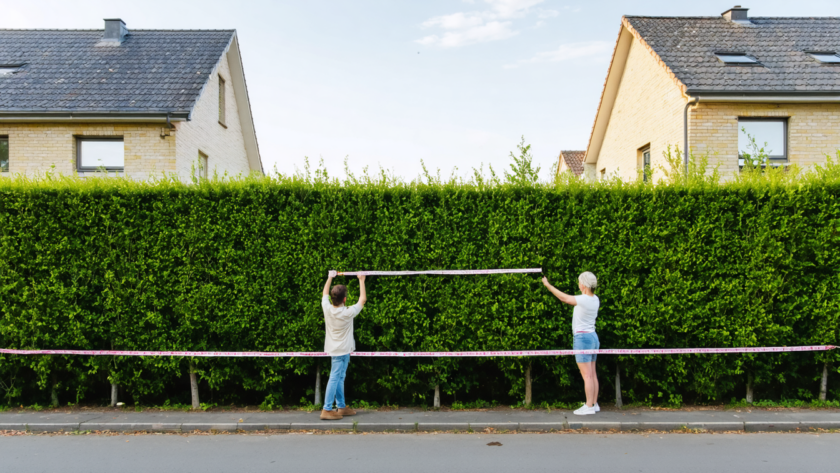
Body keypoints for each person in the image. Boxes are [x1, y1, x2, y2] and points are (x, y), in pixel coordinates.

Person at [542, 272, 600, 416]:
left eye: (580, 282)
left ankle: (589, 406)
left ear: (584, 285)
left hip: (583, 339)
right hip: (593, 337)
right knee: (592, 374)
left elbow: (564, 298)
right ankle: (593, 403)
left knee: (587, 376)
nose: (578, 285)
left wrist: (548, 285)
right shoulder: (595, 299)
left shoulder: (584, 299)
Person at [319, 270, 367, 420]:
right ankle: (326, 409)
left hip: (338, 350)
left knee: (339, 377)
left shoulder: (327, 308)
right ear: (345, 299)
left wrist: (329, 277)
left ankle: (341, 406)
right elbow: (363, 299)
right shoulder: (347, 312)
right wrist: (361, 280)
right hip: (342, 351)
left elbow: (324, 294)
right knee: (335, 377)